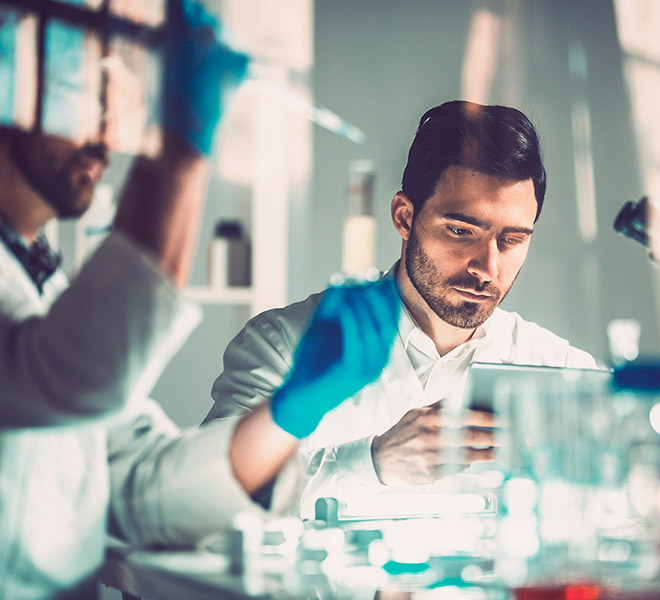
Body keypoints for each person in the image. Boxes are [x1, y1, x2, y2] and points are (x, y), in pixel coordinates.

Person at [0, 2, 398, 598]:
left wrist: (292, 411)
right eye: (79, 83)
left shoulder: (35, 276)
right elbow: (76, 376)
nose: (110, 121)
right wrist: (182, 147)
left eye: (119, 88)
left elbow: (139, 485)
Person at [204, 100, 597, 519]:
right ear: (405, 216)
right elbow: (208, 500)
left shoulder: (564, 371)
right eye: (461, 231)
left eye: (512, 240)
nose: (488, 268)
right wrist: (370, 464)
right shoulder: (281, 346)